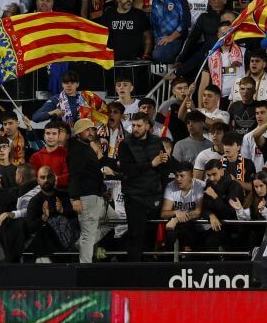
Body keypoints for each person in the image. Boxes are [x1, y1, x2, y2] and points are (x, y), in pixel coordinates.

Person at [67, 118, 118, 263]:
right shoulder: (77, 150)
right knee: (88, 235)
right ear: (78, 133)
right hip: (85, 198)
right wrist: (75, 198)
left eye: (92, 129)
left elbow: (93, 173)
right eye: (86, 130)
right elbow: (74, 175)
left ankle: (80, 245)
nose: (91, 132)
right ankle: (84, 270)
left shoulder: (87, 147)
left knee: (113, 219)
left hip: (96, 196)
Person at [119, 112, 167, 261]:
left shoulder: (157, 141)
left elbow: (163, 164)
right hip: (134, 196)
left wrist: (166, 159)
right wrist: (151, 164)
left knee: (151, 234)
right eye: (133, 125)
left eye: (139, 125)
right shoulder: (125, 144)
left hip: (154, 195)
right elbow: (127, 169)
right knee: (135, 234)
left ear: (147, 126)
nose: (135, 129)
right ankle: (134, 270)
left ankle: (147, 269)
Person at [31, 70, 106, 125]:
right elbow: (35, 118)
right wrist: (52, 112)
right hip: (62, 140)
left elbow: (104, 112)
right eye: (66, 83)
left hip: (82, 139)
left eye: (72, 83)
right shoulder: (55, 99)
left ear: (77, 84)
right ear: (62, 84)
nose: (69, 85)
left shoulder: (86, 98)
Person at [161, 162, 206, 250]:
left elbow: (198, 212)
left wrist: (176, 219)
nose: (178, 179)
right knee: (170, 234)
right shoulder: (170, 186)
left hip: (198, 226)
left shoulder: (200, 185)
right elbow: (163, 213)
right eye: (176, 176)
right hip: (180, 227)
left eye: (182, 176)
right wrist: (176, 212)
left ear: (191, 175)